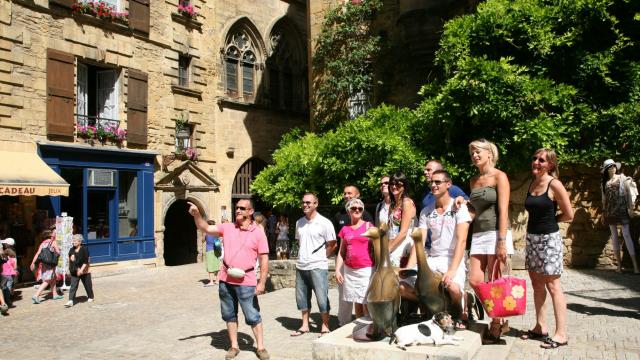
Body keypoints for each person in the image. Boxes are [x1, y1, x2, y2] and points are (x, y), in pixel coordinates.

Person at [188, 199, 270, 360]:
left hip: (247, 281)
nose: (238, 210)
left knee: (253, 315)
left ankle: (260, 347)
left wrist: (262, 282)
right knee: (229, 314)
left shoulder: (258, 233)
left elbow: (264, 259)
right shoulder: (227, 227)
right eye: (237, 207)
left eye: (242, 208)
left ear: (250, 211)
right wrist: (197, 215)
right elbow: (205, 227)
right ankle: (234, 346)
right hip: (226, 279)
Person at [402, 170, 472, 327]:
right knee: (401, 286)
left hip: (453, 259)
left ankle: (460, 313)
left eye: (438, 182)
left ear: (448, 185)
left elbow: (462, 241)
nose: (433, 185)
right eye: (431, 182)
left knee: (453, 288)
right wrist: (408, 268)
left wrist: (452, 270)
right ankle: (436, 306)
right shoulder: (427, 211)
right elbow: (418, 242)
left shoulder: (459, 208)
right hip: (433, 258)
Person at [521, 148, 573, 349]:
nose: (536, 162)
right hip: (532, 238)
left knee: (553, 285)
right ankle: (540, 327)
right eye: (534, 158)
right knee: (536, 282)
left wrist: (552, 221)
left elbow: (569, 214)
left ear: (550, 164)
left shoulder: (554, 184)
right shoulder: (532, 182)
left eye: (541, 160)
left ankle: (561, 334)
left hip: (549, 240)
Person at [466, 139, 514, 344]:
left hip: (496, 233)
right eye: (472, 153)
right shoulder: (473, 180)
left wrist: (502, 240)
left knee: (495, 282)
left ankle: (496, 325)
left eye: (478, 152)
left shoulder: (500, 176)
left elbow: (503, 210)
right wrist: (463, 203)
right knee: (475, 280)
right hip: (478, 234)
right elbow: (474, 210)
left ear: (489, 154)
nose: (475, 156)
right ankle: (499, 316)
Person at [291, 193, 337, 337]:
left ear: (316, 204)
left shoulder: (325, 222)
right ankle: (305, 325)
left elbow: (333, 244)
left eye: (308, 203)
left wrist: (322, 256)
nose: (305, 205)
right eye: (303, 202)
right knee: (301, 298)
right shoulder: (299, 223)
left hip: (318, 266)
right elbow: (299, 241)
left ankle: (325, 326)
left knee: (322, 298)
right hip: (301, 266)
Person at [333, 185, 373, 326]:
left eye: (359, 209)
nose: (356, 210)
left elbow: (377, 246)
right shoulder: (344, 228)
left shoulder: (369, 225)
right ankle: (358, 326)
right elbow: (341, 251)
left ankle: (369, 327)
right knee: (356, 299)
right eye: (353, 209)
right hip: (349, 269)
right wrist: (337, 269)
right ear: (348, 211)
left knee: (366, 300)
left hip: (366, 268)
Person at [600, 159, 639, 274]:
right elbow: (604, 200)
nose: (613, 168)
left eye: (614, 166)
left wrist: (631, 209)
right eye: (610, 167)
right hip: (610, 211)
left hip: (622, 210)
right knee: (615, 237)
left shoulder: (622, 178)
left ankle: (635, 266)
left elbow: (628, 195)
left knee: (627, 235)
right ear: (606, 170)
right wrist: (603, 213)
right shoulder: (604, 182)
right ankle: (619, 266)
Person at [421, 160, 469, 249]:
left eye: (428, 170)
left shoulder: (452, 189)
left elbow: (470, 207)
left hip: (449, 249)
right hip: (429, 246)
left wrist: (462, 200)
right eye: (425, 170)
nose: (425, 172)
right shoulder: (426, 192)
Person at [387, 172, 416, 268]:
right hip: (393, 242)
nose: (394, 186)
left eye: (398, 184)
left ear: (404, 186)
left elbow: (404, 232)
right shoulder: (393, 204)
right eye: (391, 184)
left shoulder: (406, 202)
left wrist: (388, 249)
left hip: (403, 245)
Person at [30, 229, 63, 304]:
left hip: (44, 264)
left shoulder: (42, 243)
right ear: (50, 235)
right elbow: (58, 252)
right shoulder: (53, 242)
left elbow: (38, 254)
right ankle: (36, 295)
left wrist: (33, 262)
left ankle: (55, 294)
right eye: (52, 234)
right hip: (51, 264)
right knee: (47, 280)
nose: (54, 235)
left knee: (53, 278)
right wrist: (59, 250)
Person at [65, 234, 95, 307]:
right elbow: (70, 260)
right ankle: (70, 300)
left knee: (88, 285)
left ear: (80, 242)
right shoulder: (71, 249)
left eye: (75, 241)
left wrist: (81, 270)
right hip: (75, 270)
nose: (73, 242)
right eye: (73, 240)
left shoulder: (84, 249)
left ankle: (91, 296)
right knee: (73, 286)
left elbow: (86, 261)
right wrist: (68, 269)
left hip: (84, 271)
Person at [203, 220, 222, 287]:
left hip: (209, 250)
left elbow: (202, 240)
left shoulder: (206, 232)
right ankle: (217, 280)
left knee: (210, 266)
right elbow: (218, 241)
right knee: (217, 266)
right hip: (216, 250)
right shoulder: (216, 233)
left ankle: (211, 281)